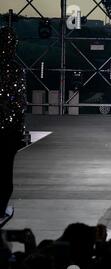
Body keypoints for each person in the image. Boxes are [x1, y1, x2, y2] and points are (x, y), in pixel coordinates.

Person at [0, 27, 26, 228]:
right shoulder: (15, 69)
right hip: (7, 131)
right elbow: (19, 104)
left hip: (8, 129)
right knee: (5, 173)